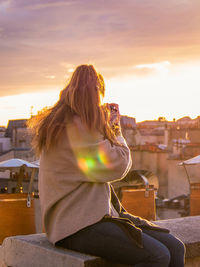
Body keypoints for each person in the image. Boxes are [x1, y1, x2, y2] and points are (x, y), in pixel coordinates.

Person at [28, 64, 185, 266]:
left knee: (175, 247)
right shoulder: (76, 128)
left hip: (88, 219)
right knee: (158, 255)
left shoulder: (67, 123)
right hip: (78, 226)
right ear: (94, 95)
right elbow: (118, 165)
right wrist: (114, 128)